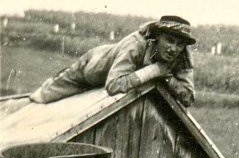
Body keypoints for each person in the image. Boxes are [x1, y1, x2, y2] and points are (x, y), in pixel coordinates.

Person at [29, 15, 195, 106]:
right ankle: (58, 78)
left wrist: (167, 77)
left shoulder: (182, 57)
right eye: (169, 41)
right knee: (41, 97)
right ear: (157, 36)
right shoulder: (136, 44)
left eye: (180, 44)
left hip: (120, 73)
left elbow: (188, 98)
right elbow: (114, 85)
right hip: (93, 67)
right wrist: (153, 71)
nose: (173, 48)